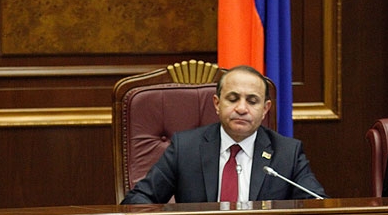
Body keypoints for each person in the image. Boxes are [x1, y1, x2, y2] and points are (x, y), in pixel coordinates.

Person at [121, 65, 326, 204]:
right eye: (233, 99)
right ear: (217, 104)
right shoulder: (186, 148)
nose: (242, 108)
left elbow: (316, 204)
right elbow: (139, 200)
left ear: (265, 109)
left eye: (252, 101)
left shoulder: (287, 153)